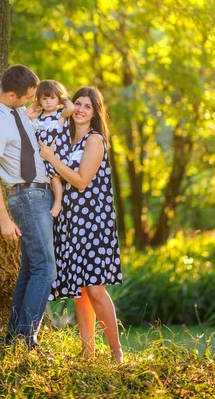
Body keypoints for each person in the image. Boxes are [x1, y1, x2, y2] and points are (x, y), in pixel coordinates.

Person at [39, 87, 123, 363]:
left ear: (95, 112)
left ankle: (116, 353)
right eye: (78, 103)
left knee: (96, 289)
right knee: (80, 290)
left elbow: (81, 180)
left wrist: (51, 158)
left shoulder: (94, 139)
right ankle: (88, 355)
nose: (82, 109)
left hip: (93, 223)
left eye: (88, 105)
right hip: (71, 223)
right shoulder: (68, 138)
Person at [0, 64, 56, 348]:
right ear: (12, 94)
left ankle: (14, 335)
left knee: (30, 268)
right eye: (27, 97)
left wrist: (29, 112)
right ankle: (26, 339)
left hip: (39, 194)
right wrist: (3, 219)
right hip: (27, 197)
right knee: (46, 268)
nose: (31, 102)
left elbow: (29, 118)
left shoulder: (17, 114)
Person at [26, 79, 74, 218]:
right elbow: (26, 114)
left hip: (57, 153)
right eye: (44, 99)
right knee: (47, 179)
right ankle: (51, 201)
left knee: (55, 177)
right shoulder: (39, 115)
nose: (48, 102)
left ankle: (58, 202)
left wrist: (62, 98)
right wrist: (37, 101)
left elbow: (71, 108)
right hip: (42, 155)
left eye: (52, 98)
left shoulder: (60, 114)